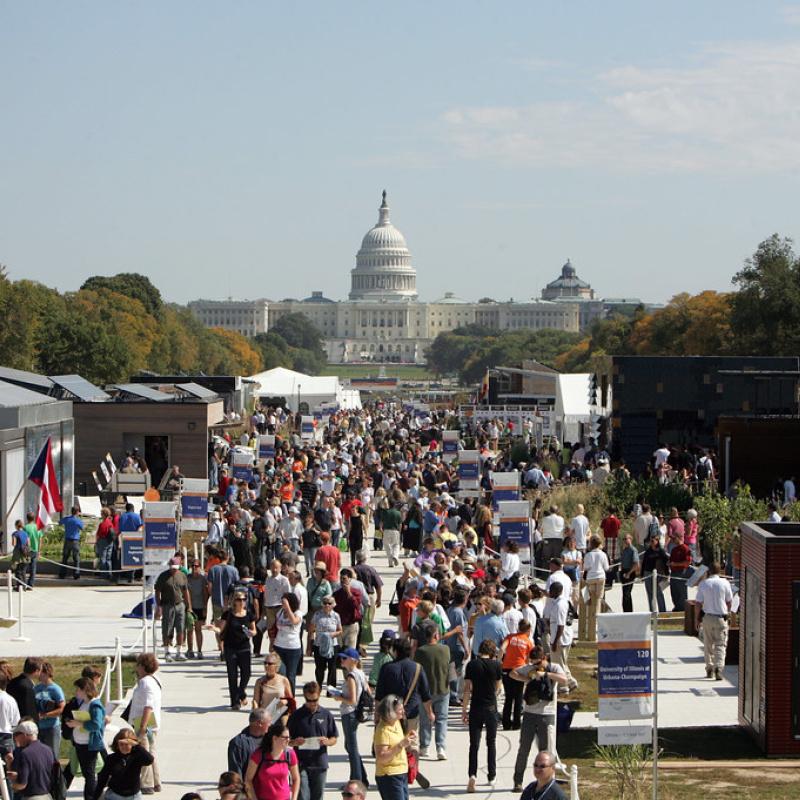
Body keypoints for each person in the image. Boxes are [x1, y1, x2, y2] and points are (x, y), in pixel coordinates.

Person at [510, 648, 567, 792]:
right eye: (534, 663)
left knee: (545, 751)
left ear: (544, 658)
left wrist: (546, 674)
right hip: (530, 713)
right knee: (524, 748)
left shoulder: (553, 667)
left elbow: (564, 679)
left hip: (546, 714)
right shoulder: (530, 669)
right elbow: (512, 673)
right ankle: (518, 781)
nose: (536, 666)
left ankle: (545, 782)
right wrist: (527, 680)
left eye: (538, 663)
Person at [375, 637, 434, 756]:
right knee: (412, 743)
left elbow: (379, 695)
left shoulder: (386, 668)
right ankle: (413, 765)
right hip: (411, 711)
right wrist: (430, 712)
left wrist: (377, 714)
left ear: (395, 651)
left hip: (391, 713)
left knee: (392, 743)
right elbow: (425, 694)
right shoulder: (417, 668)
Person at [463, 638, 503, 792]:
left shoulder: (472, 665)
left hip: (476, 706)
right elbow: (497, 687)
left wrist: (464, 709)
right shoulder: (496, 666)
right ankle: (491, 775)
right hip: (490, 706)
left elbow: (467, 688)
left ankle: (472, 774)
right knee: (491, 742)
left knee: (474, 744)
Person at [287, 682, 338, 800]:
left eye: (315, 700)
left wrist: (327, 742)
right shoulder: (296, 716)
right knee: (303, 795)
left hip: (320, 762)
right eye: (309, 701)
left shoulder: (326, 715)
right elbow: (287, 740)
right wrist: (294, 742)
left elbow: (334, 737)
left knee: (318, 796)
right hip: (300, 763)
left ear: (319, 695)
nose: (312, 703)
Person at [213, 591, 257, 709]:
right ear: (234, 601)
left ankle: (241, 692)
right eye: (239, 599)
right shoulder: (228, 614)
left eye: (244, 599)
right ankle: (235, 702)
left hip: (244, 647)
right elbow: (221, 629)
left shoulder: (249, 614)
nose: (242, 602)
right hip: (230, 647)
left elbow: (254, 630)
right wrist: (213, 628)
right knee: (232, 675)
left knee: (246, 673)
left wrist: (252, 633)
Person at [413, 620, 450, 760]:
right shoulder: (445, 649)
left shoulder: (420, 651)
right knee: (442, 719)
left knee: (425, 719)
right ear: (435, 635)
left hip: (425, 691)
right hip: (442, 688)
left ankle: (425, 746)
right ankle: (440, 747)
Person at [333, 649, 370, 786]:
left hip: (349, 713)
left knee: (352, 747)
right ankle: (361, 777)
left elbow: (352, 700)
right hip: (357, 713)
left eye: (344, 658)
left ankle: (356, 780)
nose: (342, 661)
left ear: (352, 660)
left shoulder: (351, 676)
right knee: (350, 746)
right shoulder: (361, 674)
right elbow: (368, 692)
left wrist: (338, 697)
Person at [67, 676, 107, 800]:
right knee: (86, 773)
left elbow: (96, 724)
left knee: (89, 775)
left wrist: (78, 723)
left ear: (85, 689)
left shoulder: (94, 705)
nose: (76, 692)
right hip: (80, 743)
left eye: (78, 689)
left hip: (89, 745)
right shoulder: (84, 703)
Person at [128, 652, 162, 795]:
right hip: (152, 723)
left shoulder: (145, 683)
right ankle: (156, 781)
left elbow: (148, 706)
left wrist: (142, 726)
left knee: (143, 752)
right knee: (151, 751)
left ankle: (147, 784)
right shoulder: (155, 680)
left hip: (144, 723)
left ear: (142, 666)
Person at [695, 563, 734, 680]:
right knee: (720, 644)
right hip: (721, 617)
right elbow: (729, 601)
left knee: (708, 643)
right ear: (720, 571)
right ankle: (719, 667)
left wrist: (697, 619)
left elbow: (698, 603)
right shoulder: (725, 583)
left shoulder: (703, 584)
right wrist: (728, 613)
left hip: (707, 616)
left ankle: (709, 667)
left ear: (709, 571)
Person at [94, 727, 155, 800]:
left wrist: (137, 745)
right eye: (121, 744)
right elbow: (102, 779)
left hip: (134, 796)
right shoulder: (111, 758)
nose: (124, 746)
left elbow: (150, 760)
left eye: (127, 744)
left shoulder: (137, 757)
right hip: (114, 796)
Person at [244, 721, 300, 800]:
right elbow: (248, 779)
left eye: (289, 737)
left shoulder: (290, 754)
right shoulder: (259, 754)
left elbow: (296, 778)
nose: (288, 740)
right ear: (275, 738)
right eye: (285, 737)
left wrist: (294, 798)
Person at [373, 694, 415, 800]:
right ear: (391, 712)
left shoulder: (396, 723)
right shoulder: (383, 731)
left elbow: (396, 741)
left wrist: (408, 737)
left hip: (401, 772)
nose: (403, 711)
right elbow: (381, 757)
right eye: (400, 709)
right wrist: (401, 745)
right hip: (389, 776)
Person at [154, 556, 192, 662]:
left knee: (180, 628)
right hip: (167, 605)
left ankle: (179, 651)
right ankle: (167, 652)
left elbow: (186, 591)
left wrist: (189, 605)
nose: (173, 570)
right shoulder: (163, 576)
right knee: (166, 629)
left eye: (175, 568)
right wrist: (159, 607)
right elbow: (157, 592)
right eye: (172, 568)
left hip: (180, 605)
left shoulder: (182, 575)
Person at [501, 620, 535, 731]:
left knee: (508, 697)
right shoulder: (528, 642)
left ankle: (506, 723)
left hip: (506, 668)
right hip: (519, 669)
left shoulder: (510, 637)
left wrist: (499, 661)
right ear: (528, 630)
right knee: (518, 697)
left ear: (518, 628)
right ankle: (516, 723)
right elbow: (529, 659)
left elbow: (502, 648)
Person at [5, 720, 53, 800]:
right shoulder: (48, 750)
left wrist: (11, 785)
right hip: (47, 796)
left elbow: (22, 784)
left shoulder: (25, 753)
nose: (16, 738)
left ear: (25, 735)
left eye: (17, 734)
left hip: (32, 797)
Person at [547, 582, 578, 693]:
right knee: (562, 663)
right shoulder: (562, 602)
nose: (549, 593)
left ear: (556, 591)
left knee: (558, 665)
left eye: (551, 591)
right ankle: (570, 682)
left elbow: (561, 625)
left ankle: (564, 686)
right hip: (562, 637)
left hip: (560, 639)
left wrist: (555, 641)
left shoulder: (560, 605)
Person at [307, 596, 343, 689]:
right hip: (319, 645)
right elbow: (311, 631)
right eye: (325, 603)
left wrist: (333, 634)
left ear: (333, 605)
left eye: (329, 603)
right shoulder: (317, 615)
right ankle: (318, 688)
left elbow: (340, 630)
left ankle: (331, 690)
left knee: (332, 668)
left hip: (332, 645)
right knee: (320, 668)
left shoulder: (336, 616)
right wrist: (309, 647)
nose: (327, 605)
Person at [228, 708, 272, 779]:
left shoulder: (271, 739)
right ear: (260, 723)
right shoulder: (238, 743)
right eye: (269, 722)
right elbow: (236, 771)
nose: (270, 725)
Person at [581, 535, 609, 642]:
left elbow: (586, 567)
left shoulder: (588, 555)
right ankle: (597, 616)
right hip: (601, 576)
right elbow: (606, 567)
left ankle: (591, 616)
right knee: (599, 598)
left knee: (591, 597)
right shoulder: (603, 554)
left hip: (591, 577)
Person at [274, 593, 304, 693]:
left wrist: (288, 607)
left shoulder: (298, 613)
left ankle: (291, 697)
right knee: (280, 673)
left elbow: (294, 621)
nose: (282, 604)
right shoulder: (280, 612)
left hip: (292, 648)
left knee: (291, 675)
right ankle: (281, 695)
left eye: (284, 602)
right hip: (279, 646)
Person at [34, 661, 65, 758]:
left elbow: (62, 709)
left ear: (47, 673)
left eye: (40, 672)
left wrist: (45, 715)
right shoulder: (36, 688)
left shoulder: (55, 689)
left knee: (52, 756)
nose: (38, 675)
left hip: (51, 728)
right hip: (38, 728)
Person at [252, 654, 294, 721]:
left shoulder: (284, 680)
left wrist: (285, 701)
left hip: (280, 715)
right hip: (265, 715)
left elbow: (290, 699)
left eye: (269, 664)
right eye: (265, 663)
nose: (266, 665)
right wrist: (256, 715)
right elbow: (255, 700)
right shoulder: (260, 681)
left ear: (276, 665)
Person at [333, 569, 363, 651]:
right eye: (341, 578)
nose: (342, 581)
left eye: (344, 578)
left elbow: (356, 605)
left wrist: (349, 592)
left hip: (351, 625)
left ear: (349, 579)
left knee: (350, 651)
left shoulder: (356, 592)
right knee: (339, 650)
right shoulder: (337, 594)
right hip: (340, 626)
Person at [7, 657, 41, 724]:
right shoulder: (27, 688)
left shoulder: (12, 682)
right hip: (24, 724)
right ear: (36, 671)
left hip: (11, 721)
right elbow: (29, 711)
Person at [640, 535, 669, 613]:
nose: (651, 543)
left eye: (653, 541)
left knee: (658, 592)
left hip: (658, 574)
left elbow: (665, 563)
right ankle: (652, 610)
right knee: (649, 593)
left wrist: (667, 574)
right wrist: (642, 574)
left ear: (657, 541)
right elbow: (644, 563)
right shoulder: (648, 552)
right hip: (647, 573)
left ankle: (662, 610)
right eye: (650, 541)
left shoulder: (661, 551)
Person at [186, 559, 209, 658]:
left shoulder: (203, 579)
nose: (194, 568)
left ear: (200, 567)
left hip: (199, 606)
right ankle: (190, 650)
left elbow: (205, 594)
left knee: (198, 629)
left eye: (196, 566)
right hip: (189, 607)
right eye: (193, 566)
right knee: (189, 629)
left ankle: (199, 650)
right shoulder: (188, 578)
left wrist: (205, 607)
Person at [59, 505, 85, 579]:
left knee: (65, 557)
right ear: (77, 512)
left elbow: (60, 522)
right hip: (75, 540)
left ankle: (62, 574)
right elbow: (82, 528)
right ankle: (76, 574)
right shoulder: (78, 521)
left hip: (67, 540)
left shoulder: (67, 519)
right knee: (76, 558)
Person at [619, 534, 639, 613]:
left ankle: (628, 611)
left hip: (630, 572)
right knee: (624, 593)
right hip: (623, 571)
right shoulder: (624, 550)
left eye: (626, 539)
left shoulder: (633, 550)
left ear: (631, 539)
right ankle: (625, 610)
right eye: (623, 539)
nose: (624, 540)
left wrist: (629, 573)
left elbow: (636, 564)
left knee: (627, 593)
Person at [10, 519, 30, 590]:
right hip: (25, 553)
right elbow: (28, 543)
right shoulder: (26, 533)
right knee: (23, 571)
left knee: (17, 570)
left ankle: (19, 586)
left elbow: (14, 544)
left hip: (18, 553)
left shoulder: (15, 534)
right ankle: (24, 586)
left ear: (16, 525)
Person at [23, 512, 41, 589]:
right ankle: (31, 584)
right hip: (35, 549)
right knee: (33, 568)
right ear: (34, 518)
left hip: (27, 550)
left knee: (24, 568)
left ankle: (23, 583)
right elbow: (40, 540)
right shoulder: (38, 527)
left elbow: (24, 539)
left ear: (27, 518)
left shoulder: (25, 527)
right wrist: (39, 550)